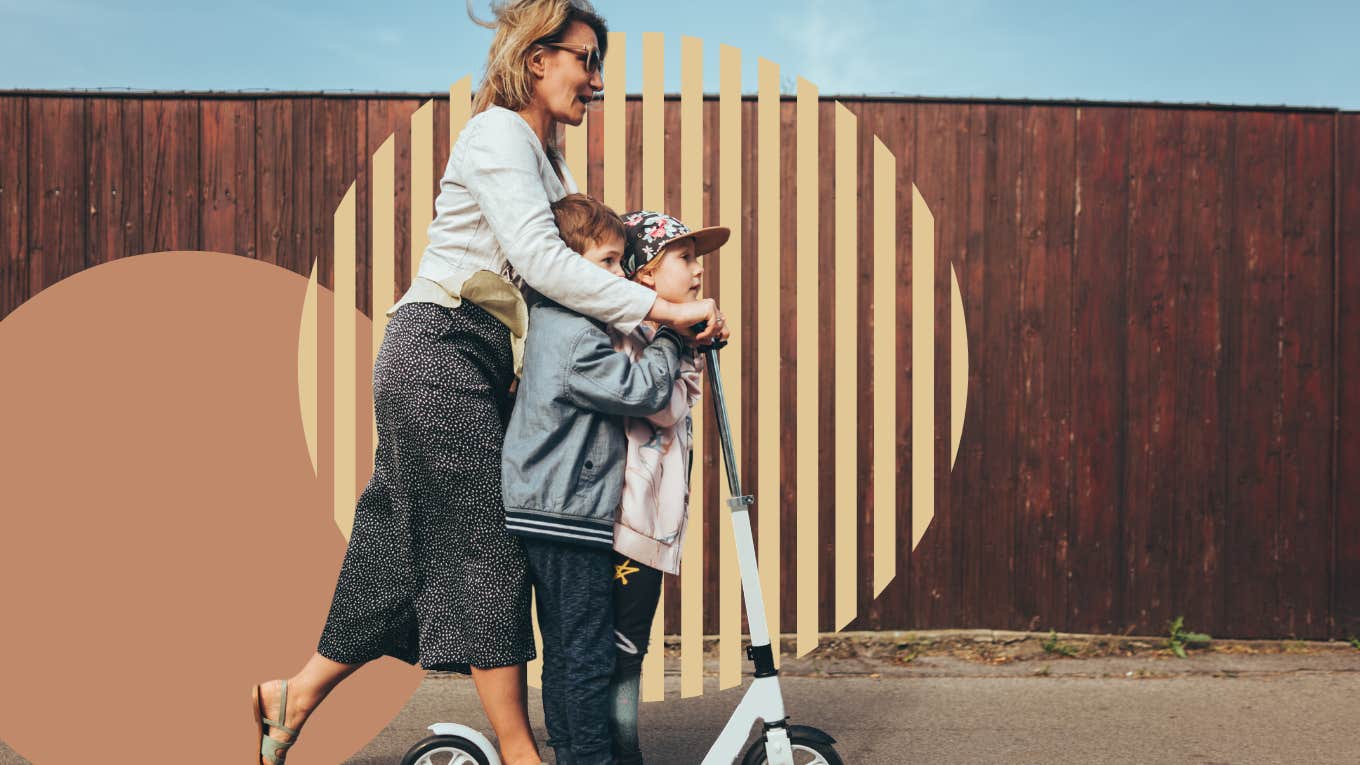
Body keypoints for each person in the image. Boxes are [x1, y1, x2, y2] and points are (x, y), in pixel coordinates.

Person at [249, 2, 728, 763]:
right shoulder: (498, 134)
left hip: (480, 360)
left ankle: (293, 693)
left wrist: (663, 312)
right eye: (586, 60)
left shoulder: (555, 162)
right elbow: (546, 266)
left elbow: (576, 276)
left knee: (391, 547)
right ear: (538, 60)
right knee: (489, 549)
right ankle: (519, 751)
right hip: (438, 348)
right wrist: (666, 311)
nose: (596, 80)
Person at [501, 193, 695, 765]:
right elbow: (644, 391)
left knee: (566, 651)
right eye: (607, 263)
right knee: (584, 653)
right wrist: (673, 336)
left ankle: (572, 753)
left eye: (620, 263)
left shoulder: (565, 323)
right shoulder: (573, 335)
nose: (617, 275)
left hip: (550, 506)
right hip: (565, 511)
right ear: (561, 266)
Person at [607, 210, 728, 765]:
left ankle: (617, 750)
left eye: (697, 259)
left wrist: (692, 343)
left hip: (647, 526)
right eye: (684, 258)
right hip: (628, 526)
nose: (698, 272)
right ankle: (615, 753)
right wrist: (678, 338)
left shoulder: (662, 333)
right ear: (646, 275)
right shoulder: (632, 330)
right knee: (620, 651)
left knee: (630, 650)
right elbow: (657, 406)